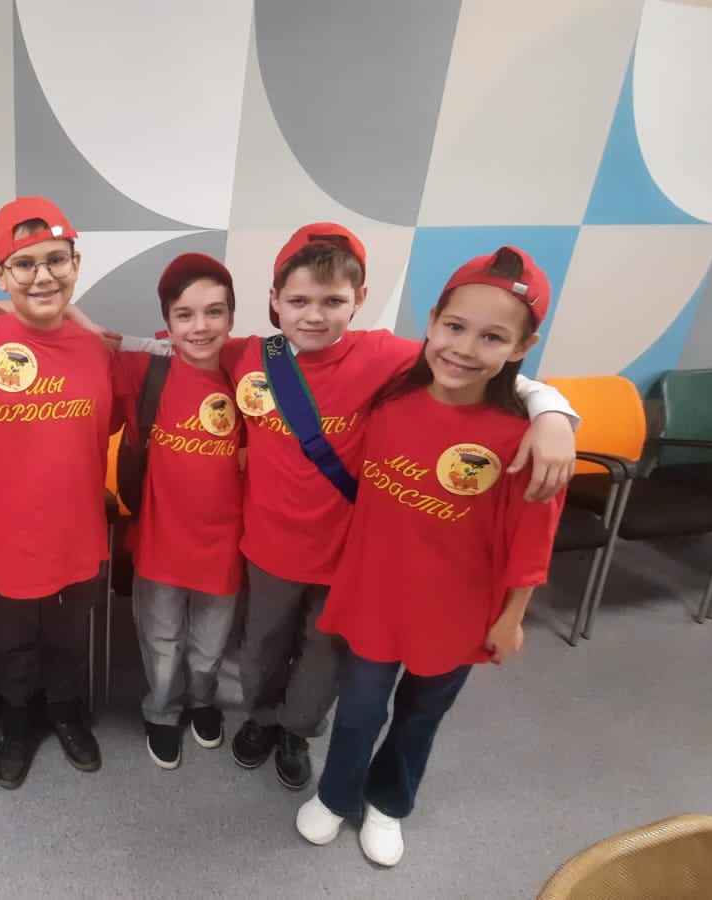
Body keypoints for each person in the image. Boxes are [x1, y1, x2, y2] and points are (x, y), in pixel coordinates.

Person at [217, 224, 577, 792]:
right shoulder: (248, 356)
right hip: (267, 547)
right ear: (274, 300)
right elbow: (174, 344)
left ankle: (296, 731)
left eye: (333, 301)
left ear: (359, 299)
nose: (314, 315)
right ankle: (261, 719)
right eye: (299, 301)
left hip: (348, 557)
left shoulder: (388, 356)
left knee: (323, 656)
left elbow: (480, 363)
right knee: (260, 644)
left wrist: (552, 411)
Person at [294, 245, 565, 867]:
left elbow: (533, 541)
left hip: (457, 610)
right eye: (455, 326)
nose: (465, 349)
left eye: (492, 337)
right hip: (376, 595)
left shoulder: (523, 440)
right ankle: (335, 795)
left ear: (521, 348)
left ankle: (388, 802)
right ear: (434, 321)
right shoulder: (390, 398)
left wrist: (513, 617)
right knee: (359, 709)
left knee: (420, 715)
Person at [0, 196, 128, 789]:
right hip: (3, 538)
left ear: (76, 264)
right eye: (24, 264)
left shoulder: (99, 350)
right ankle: (16, 721)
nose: (43, 276)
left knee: (69, 641)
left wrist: (81, 322)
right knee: (11, 644)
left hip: (77, 534)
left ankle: (66, 710)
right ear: (0, 274)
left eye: (56, 260)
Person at [113, 253, 245, 769]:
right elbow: (84, 342)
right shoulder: (146, 367)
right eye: (184, 315)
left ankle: (202, 701)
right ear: (167, 322)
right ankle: (163, 710)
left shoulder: (252, 373)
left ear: (231, 316)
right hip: (159, 539)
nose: (200, 326)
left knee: (211, 641)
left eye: (214, 312)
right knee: (162, 638)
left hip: (226, 541)